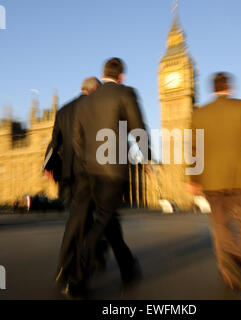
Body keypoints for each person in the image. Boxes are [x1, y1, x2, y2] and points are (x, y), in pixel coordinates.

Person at [69, 58, 150, 298]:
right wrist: (145, 157)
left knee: (109, 220)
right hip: (113, 170)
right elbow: (138, 127)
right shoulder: (126, 93)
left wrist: (85, 163)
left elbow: (76, 136)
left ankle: (128, 269)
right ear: (121, 75)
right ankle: (78, 276)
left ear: (103, 74)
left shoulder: (87, 100)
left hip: (91, 171)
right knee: (103, 220)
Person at [187, 72, 241, 293]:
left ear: (212, 89)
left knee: (220, 227)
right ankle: (240, 259)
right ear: (229, 88)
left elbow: (194, 149)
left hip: (211, 180)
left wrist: (193, 179)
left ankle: (229, 273)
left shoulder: (199, 114)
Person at [43, 77, 105, 293]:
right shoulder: (95, 107)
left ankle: (88, 259)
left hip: (69, 173)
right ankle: (69, 266)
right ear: (95, 89)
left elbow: (54, 141)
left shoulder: (64, 110)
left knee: (82, 217)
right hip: (89, 171)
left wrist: (48, 165)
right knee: (84, 219)